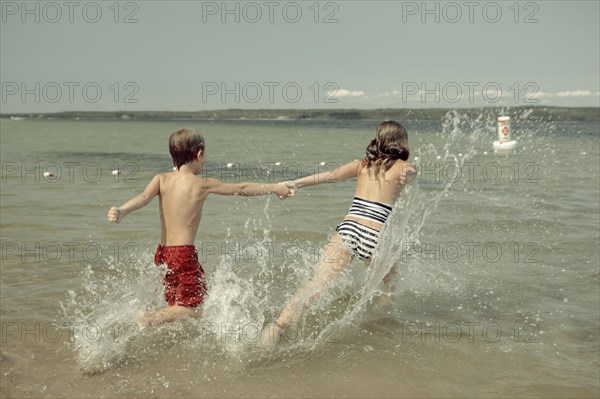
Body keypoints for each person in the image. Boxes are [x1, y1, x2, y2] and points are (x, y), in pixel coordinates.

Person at [107, 128, 293, 331]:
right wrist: (275, 188)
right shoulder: (202, 184)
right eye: (204, 157)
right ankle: (149, 318)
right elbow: (241, 189)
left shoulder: (161, 179)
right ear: (199, 153)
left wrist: (122, 210)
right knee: (196, 307)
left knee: (178, 303)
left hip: (163, 253)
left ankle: (162, 332)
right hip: (183, 255)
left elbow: (143, 198)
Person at [260, 120, 417, 348]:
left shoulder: (361, 165)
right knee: (389, 281)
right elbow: (411, 173)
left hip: (348, 230)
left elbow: (328, 176)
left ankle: (278, 326)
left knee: (317, 284)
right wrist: (411, 172)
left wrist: (293, 184)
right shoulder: (403, 166)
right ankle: (379, 325)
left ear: (379, 140)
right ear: (401, 142)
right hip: (374, 236)